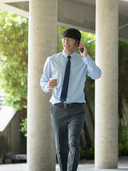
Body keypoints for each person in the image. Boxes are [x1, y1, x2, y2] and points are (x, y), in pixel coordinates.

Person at [40, 28, 101, 171]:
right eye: (63, 39)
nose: (65, 42)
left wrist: (86, 57)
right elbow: (43, 82)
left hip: (77, 109)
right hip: (58, 109)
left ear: (77, 43)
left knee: (74, 143)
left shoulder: (83, 61)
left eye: (69, 39)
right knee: (61, 146)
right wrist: (47, 86)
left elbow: (97, 74)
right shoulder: (52, 60)